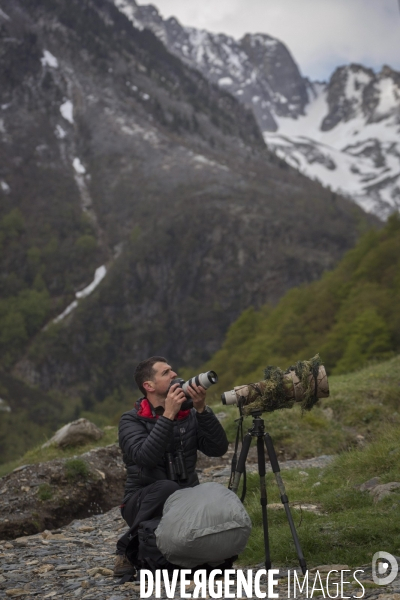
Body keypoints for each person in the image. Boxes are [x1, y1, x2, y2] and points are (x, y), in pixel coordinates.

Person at [114, 356, 229, 577]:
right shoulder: (131, 421)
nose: (174, 374)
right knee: (167, 487)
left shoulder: (190, 415)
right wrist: (168, 415)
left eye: (172, 370)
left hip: (185, 500)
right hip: (143, 503)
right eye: (166, 373)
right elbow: (144, 457)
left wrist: (201, 409)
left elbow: (218, 449)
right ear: (148, 386)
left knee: (214, 494)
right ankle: (125, 549)